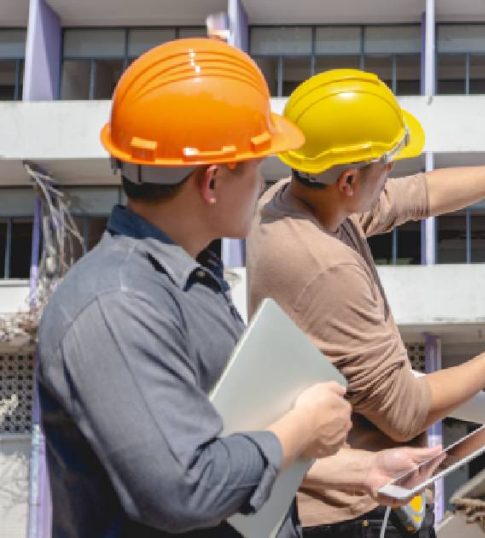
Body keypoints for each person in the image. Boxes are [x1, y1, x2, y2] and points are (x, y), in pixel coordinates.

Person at [36, 39, 439, 538]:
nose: (265, 181)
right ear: (211, 182)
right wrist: (302, 429)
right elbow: (184, 487)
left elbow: (224, 445)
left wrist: (360, 472)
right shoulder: (116, 306)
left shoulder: (191, 283)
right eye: (254, 165)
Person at [246, 69, 485, 536]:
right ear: (349, 180)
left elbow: (419, 194)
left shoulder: (291, 201)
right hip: (351, 513)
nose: (393, 170)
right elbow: (404, 413)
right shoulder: (326, 266)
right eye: (386, 162)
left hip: (354, 497)